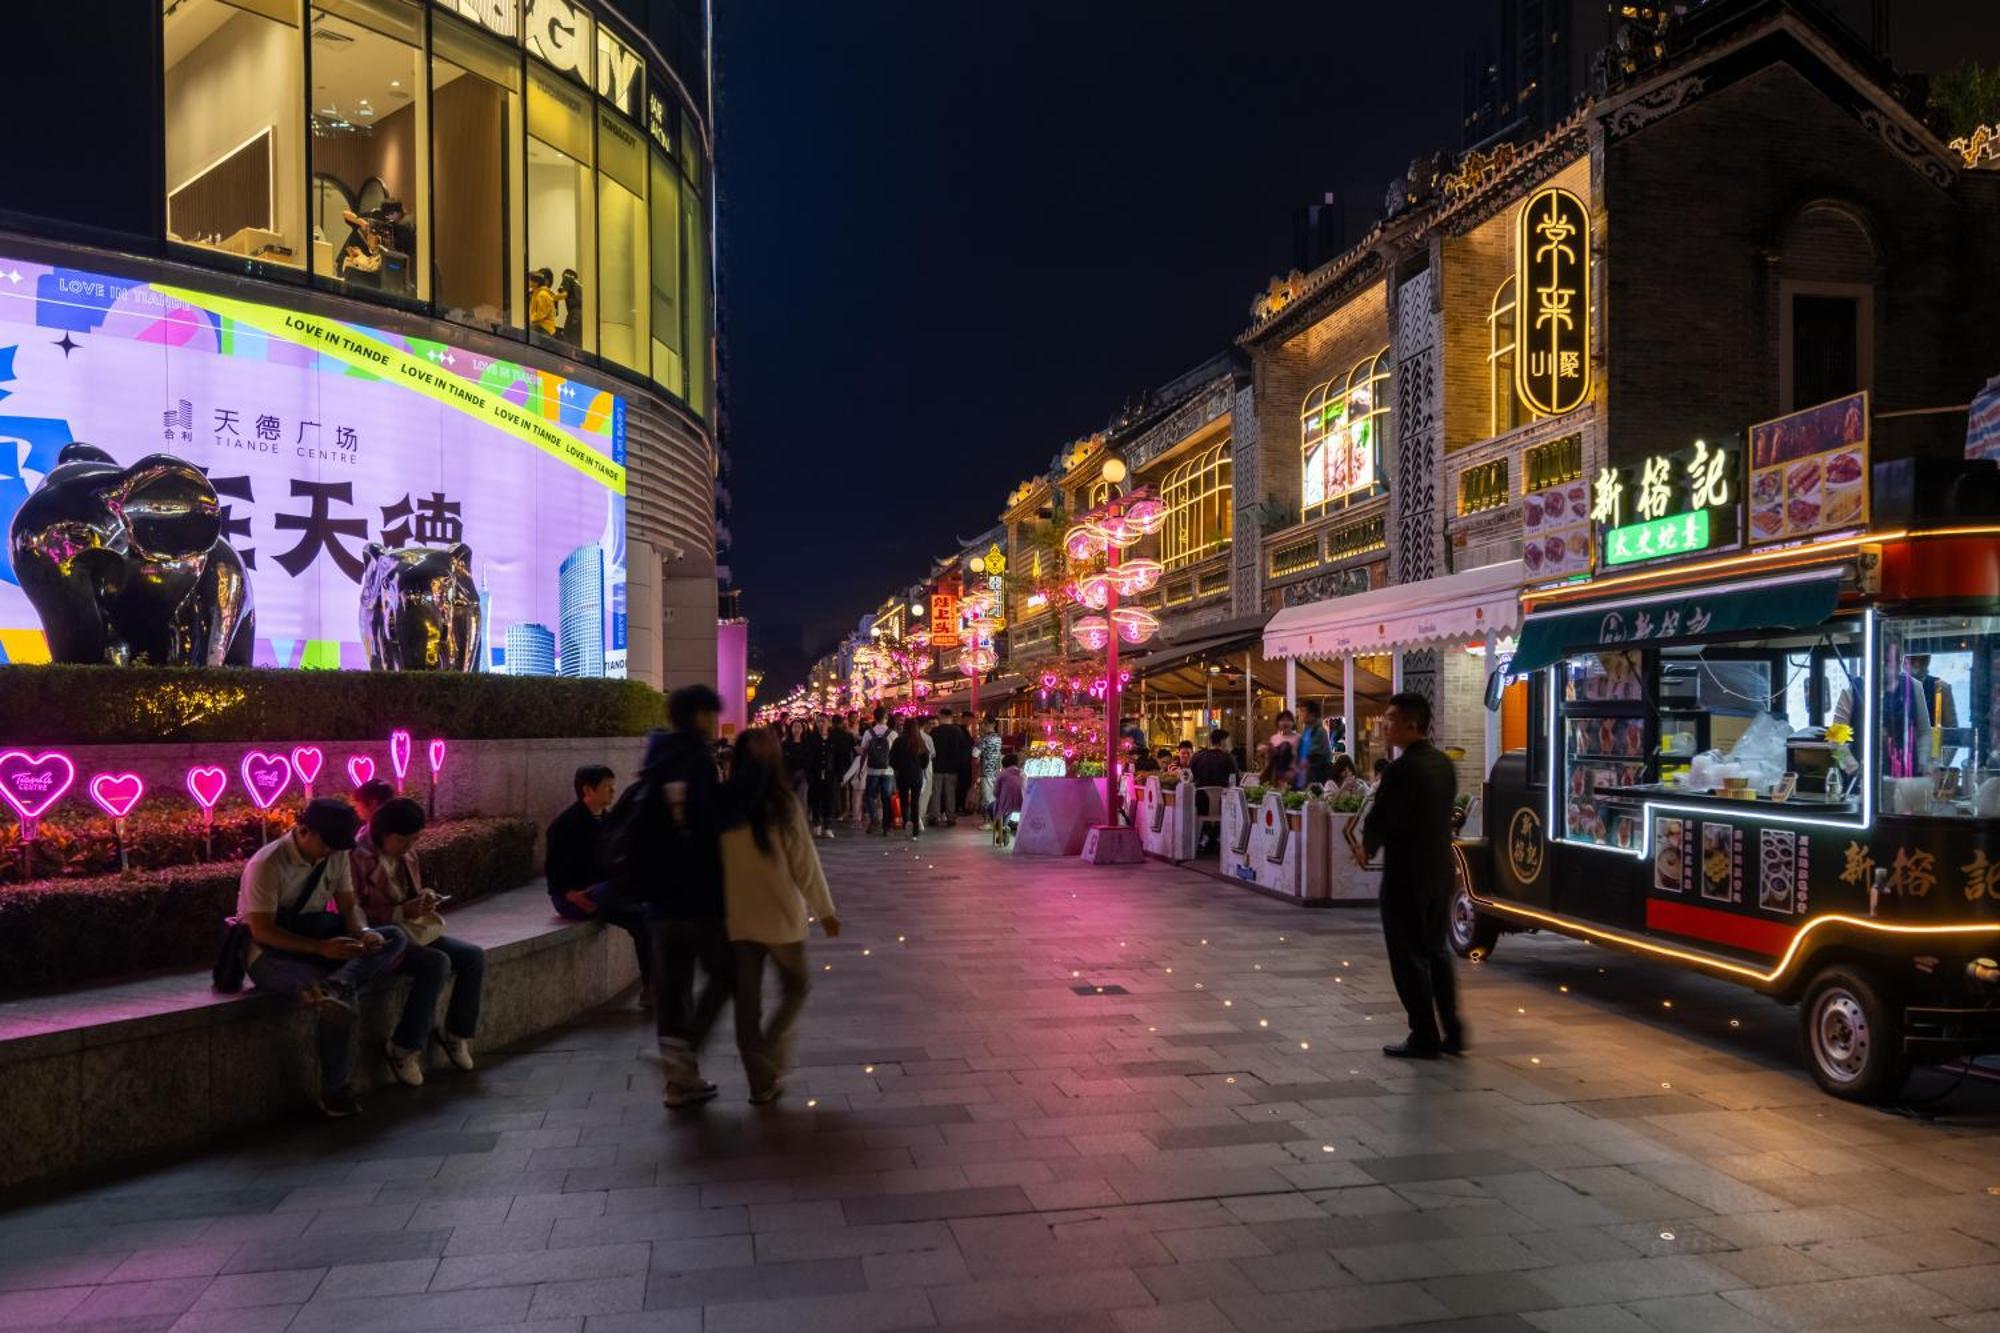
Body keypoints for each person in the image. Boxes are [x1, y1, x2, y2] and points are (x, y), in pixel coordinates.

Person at [237, 798, 421, 1119]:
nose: (333, 853)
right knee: (326, 990)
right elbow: (263, 931)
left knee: (394, 937)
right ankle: (335, 1091)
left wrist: (364, 932)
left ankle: (341, 979)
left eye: (339, 846)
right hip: (266, 953)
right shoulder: (267, 864)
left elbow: (349, 907)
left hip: (318, 937)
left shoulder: (336, 855)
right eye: (328, 844)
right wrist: (321, 949)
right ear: (304, 831)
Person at [613, 685, 734, 1107]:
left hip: (657, 899)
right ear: (700, 716)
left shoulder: (656, 757)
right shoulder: (695, 760)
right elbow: (706, 828)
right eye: (711, 715)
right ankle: (681, 1057)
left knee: (673, 987)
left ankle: (680, 1082)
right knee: (725, 973)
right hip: (694, 895)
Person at [720, 728, 840, 1104]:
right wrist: (825, 911)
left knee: (747, 1004)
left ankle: (760, 1080)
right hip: (781, 918)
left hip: (738, 918)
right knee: (795, 987)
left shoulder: (721, 803)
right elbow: (804, 864)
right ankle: (768, 1054)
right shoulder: (783, 803)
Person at [1359, 692, 1463, 1059]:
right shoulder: (1442, 765)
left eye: (1390, 718)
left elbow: (1383, 818)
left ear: (1411, 724)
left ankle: (1423, 1034)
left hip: (1407, 875)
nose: (1384, 724)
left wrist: (1367, 845)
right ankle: (1452, 1029)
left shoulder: (1402, 770)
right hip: (1439, 871)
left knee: (1408, 955)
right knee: (1436, 950)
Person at [352, 797, 483, 1077]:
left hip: (412, 931)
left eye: (414, 840)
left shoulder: (407, 854)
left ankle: (456, 1033)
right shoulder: (355, 858)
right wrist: (399, 912)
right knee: (435, 963)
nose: (409, 847)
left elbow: (411, 892)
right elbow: (352, 913)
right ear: (383, 834)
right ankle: (404, 1048)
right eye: (403, 840)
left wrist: (424, 898)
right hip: (381, 940)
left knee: (472, 956)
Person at [547, 764, 654, 1004]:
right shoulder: (564, 825)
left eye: (613, 787)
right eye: (607, 787)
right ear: (588, 789)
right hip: (572, 898)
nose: (613, 792)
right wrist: (571, 894)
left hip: (604, 892)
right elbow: (554, 873)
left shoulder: (608, 821)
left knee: (644, 919)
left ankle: (651, 987)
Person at [857, 707, 895, 834]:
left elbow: (863, 752)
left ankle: (874, 819)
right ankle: (886, 827)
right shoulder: (892, 734)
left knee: (869, 796)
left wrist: (860, 769)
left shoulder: (869, 733)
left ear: (874, 717)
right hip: (888, 771)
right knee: (886, 798)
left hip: (872, 770)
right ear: (886, 718)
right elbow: (896, 753)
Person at [892, 716, 930, 840]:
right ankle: (915, 830)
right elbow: (926, 760)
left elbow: (892, 759)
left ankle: (906, 823)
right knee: (915, 802)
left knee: (904, 801)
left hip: (902, 775)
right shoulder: (920, 742)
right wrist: (921, 767)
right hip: (916, 775)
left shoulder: (899, 741)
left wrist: (898, 767)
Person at [931, 708, 970, 826]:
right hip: (953, 768)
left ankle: (935, 816)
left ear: (941, 716)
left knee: (936, 793)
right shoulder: (958, 731)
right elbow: (964, 749)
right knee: (951, 793)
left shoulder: (935, 731)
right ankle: (951, 817)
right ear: (951, 717)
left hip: (937, 767)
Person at [819, 713, 855, 838]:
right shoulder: (848, 735)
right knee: (844, 788)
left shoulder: (831, 736)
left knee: (833, 789)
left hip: (833, 765)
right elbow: (853, 749)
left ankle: (835, 810)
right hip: (846, 764)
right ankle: (843, 811)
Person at [992, 753, 1025, 847]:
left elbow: (996, 793)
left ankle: (1003, 830)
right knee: (1006, 808)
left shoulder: (1002, 774)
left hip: (1005, 805)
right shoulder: (1023, 774)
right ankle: (1005, 829)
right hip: (1022, 804)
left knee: (993, 808)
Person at [1299, 701, 1335, 786]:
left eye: (1303, 711)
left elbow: (1311, 751)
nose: (1300, 714)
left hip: (1318, 772)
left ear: (1312, 714)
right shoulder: (1306, 730)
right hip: (1307, 770)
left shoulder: (1319, 731)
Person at [976, 719, 1003, 821]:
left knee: (987, 797)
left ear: (986, 725)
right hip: (996, 770)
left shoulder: (985, 739)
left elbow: (975, 753)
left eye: (983, 724)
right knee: (994, 796)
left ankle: (990, 821)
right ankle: (994, 820)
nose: (982, 726)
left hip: (986, 770)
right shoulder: (998, 738)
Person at [528, 268, 558, 335]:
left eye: (530, 280)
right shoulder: (536, 293)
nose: (529, 282)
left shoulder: (542, 295)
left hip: (542, 328)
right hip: (539, 326)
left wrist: (531, 318)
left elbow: (541, 314)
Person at [558, 268, 585, 343]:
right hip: (583, 315)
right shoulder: (580, 285)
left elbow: (563, 295)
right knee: (577, 340)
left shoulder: (567, 277)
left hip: (574, 314)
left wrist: (550, 298)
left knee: (568, 337)